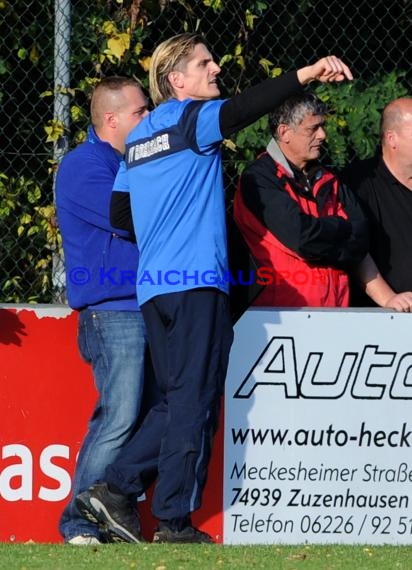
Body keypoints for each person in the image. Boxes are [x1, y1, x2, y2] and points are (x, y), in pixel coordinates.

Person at [75, 33, 353, 544]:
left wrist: (166, 225)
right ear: (175, 80)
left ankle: (118, 492)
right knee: (195, 400)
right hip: (197, 281)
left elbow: (121, 213)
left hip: (156, 288)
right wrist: (307, 72)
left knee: (174, 400)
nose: (216, 68)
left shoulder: (139, 138)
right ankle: (167, 517)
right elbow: (247, 108)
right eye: (204, 63)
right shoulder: (189, 118)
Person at [55, 76, 149, 545]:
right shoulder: (83, 165)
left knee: (148, 417)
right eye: (140, 112)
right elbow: (129, 216)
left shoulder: (135, 160)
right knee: (119, 416)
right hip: (113, 312)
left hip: (148, 306)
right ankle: (77, 521)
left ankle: (112, 515)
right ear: (111, 120)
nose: (149, 119)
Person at [233, 92, 369, 307]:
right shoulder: (258, 179)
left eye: (322, 126)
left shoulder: (329, 179)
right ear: (284, 132)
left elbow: (361, 238)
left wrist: (322, 236)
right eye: (313, 128)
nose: (323, 135)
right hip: (283, 312)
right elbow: (302, 239)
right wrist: (340, 228)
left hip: (336, 310)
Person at [343, 97, 412, 312]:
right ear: (392, 139)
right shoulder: (359, 183)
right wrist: (389, 298)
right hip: (379, 319)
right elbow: (354, 249)